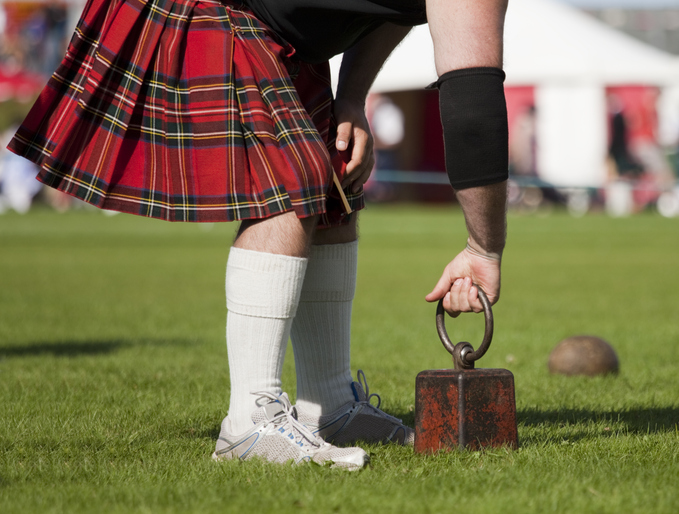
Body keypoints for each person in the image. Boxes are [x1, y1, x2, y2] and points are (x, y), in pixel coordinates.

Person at [7, 0, 508, 470]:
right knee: (289, 185)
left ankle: (329, 404)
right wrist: (483, 247)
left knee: (336, 180)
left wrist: (351, 96)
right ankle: (248, 423)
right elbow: (472, 108)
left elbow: (397, 8)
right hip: (220, 6)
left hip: (284, 32)